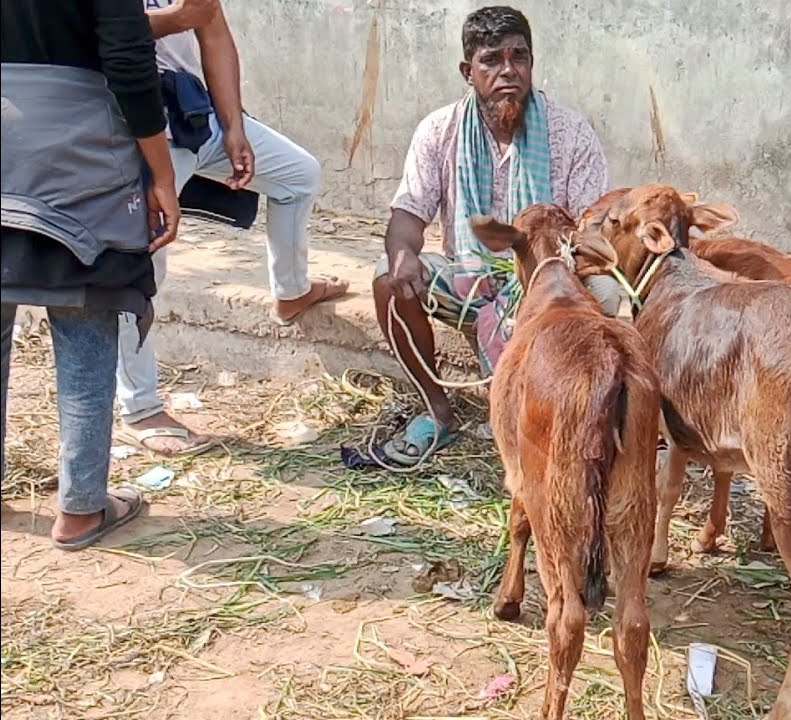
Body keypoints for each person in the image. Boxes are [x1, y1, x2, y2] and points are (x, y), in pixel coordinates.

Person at [372, 6, 620, 467]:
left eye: (518, 57)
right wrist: (403, 252)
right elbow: (408, 213)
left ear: (531, 63)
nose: (508, 71)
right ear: (469, 71)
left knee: (606, 295)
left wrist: (551, 278)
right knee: (389, 279)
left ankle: (566, 422)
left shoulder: (570, 133)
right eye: (492, 60)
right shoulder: (439, 130)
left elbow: (592, 228)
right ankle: (438, 412)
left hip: (548, 287)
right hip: (467, 282)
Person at [114, 0, 351, 456]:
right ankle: (141, 409)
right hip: (140, 122)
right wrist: (177, 19)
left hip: (191, 111)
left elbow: (215, 33)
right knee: (142, 258)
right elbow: (98, 30)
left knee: (298, 174)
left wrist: (233, 124)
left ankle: (292, 290)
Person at [2, 0, 181, 549]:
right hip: (75, 145)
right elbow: (128, 57)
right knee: (85, 318)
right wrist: (162, 172)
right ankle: (81, 509)